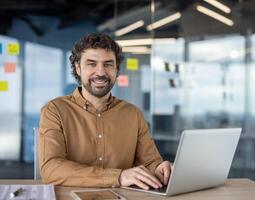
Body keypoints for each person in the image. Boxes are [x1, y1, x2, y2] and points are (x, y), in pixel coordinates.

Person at [39, 33, 172, 189]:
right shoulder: (55, 110)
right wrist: (118, 177)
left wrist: (160, 169)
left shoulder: (133, 114)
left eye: (108, 64)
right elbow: (51, 169)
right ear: (78, 68)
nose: (101, 72)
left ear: (116, 69)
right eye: (92, 64)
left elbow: (150, 162)